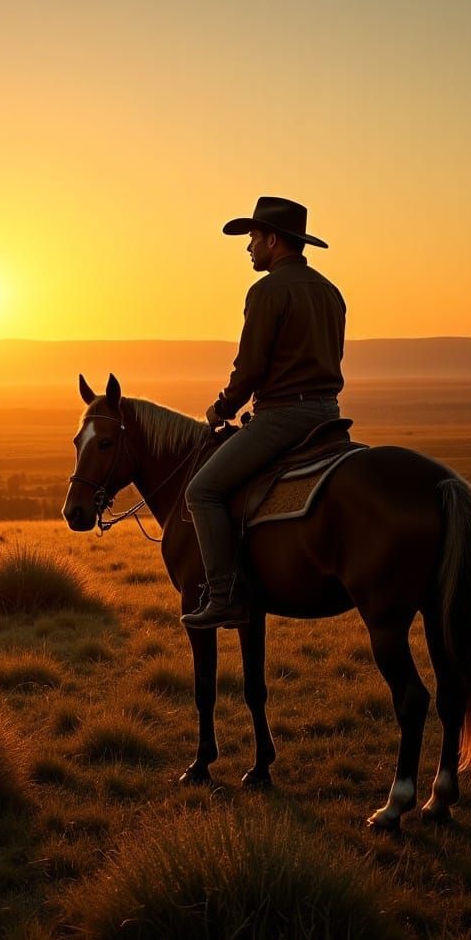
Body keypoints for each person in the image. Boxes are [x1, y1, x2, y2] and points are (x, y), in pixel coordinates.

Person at [180, 196, 346, 629]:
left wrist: (223, 407)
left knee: (202, 491)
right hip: (329, 416)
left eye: (253, 237)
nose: (248, 246)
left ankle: (224, 596)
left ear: (273, 240)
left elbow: (251, 367)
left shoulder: (267, 291)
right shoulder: (330, 292)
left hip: (282, 419)